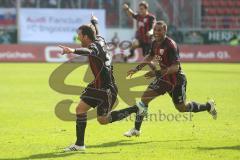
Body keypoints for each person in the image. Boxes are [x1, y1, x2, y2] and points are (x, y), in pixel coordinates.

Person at [58, 15, 146, 151]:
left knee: (102, 120)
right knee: (80, 109)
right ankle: (79, 144)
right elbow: (96, 33)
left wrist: (73, 50)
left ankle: (135, 109)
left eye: (79, 35)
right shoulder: (99, 39)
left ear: (86, 37)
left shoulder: (94, 47)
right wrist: (94, 22)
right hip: (96, 85)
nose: (78, 38)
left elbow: (89, 51)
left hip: (106, 89)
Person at [123, 20, 218, 137]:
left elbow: (176, 67)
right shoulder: (154, 43)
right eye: (155, 30)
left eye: (159, 30)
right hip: (163, 79)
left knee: (182, 108)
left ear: (165, 31)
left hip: (176, 81)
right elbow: (149, 56)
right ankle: (136, 130)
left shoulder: (170, 45)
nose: (156, 32)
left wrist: (157, 72)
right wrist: (137, 68)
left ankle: (208, 106)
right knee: (144, 99)